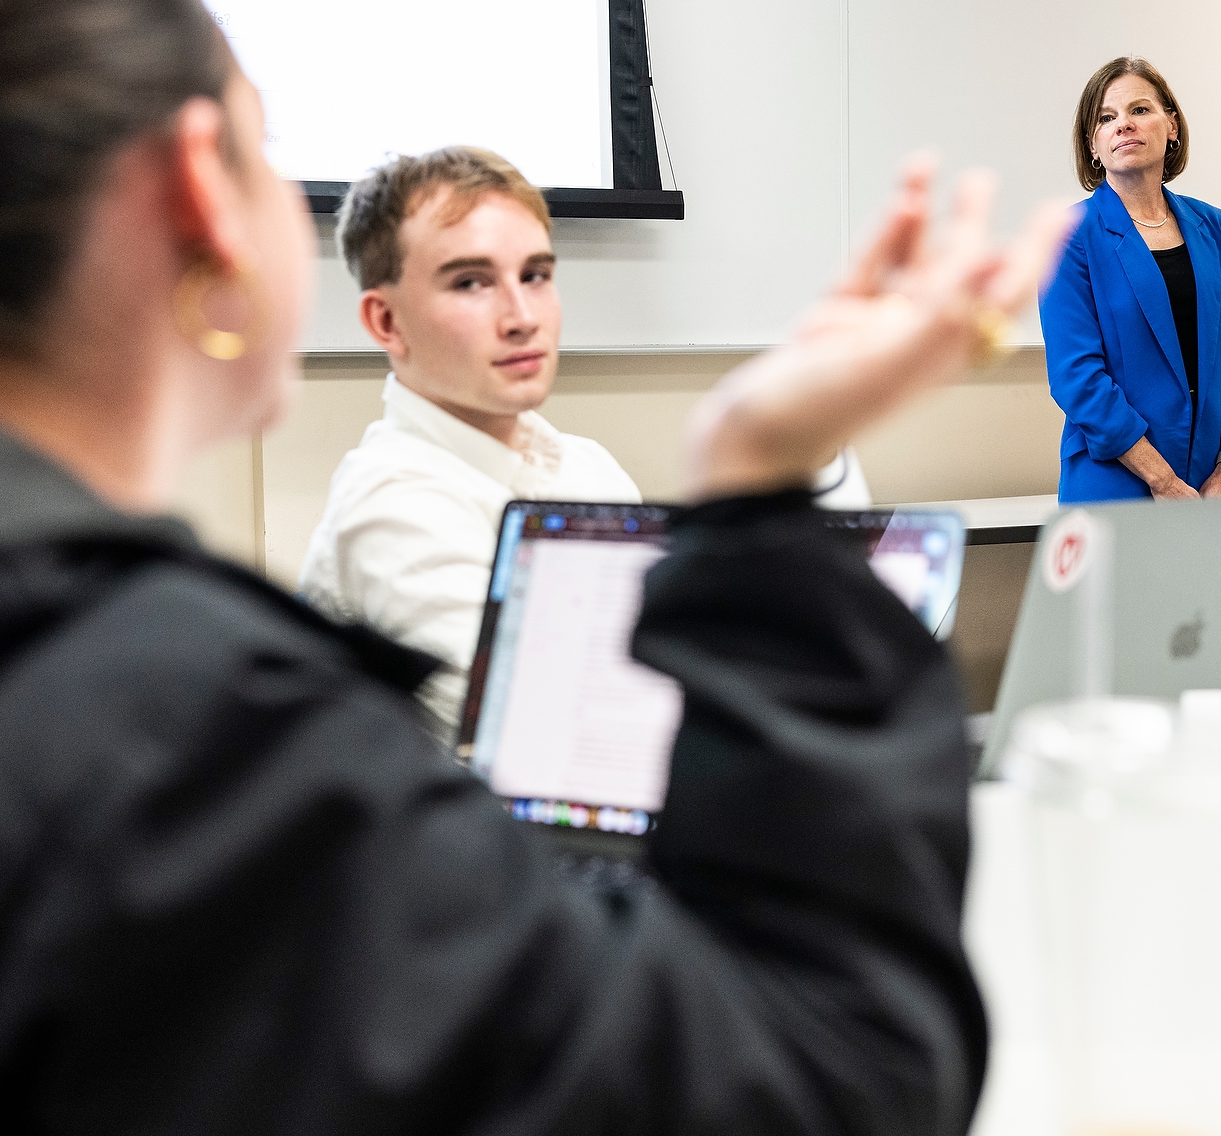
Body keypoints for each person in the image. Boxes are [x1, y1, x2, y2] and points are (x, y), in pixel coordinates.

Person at [0, 0, 1070, 1136]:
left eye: (535, 272)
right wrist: (762, 472)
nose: (518, 312)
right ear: (200, 186)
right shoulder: (176, 741)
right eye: (265, 148)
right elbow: (804, 1108)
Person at [300, 148, 869, 743]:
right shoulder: (392, 506)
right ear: (386, 323)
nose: (522, 316)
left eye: (536, 275)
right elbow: (561, 733)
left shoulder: (585, 467)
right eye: (471, 283)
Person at [1040, 57, 1221, 502]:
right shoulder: (1068, 237)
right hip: (1116, 485)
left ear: (1172, 126)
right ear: (1093, 145)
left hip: (1212, 489)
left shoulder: (1214, 227)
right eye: (1107, 118)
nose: (1124, 125)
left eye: (1140, 110)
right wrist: (1161, 480)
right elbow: (1078, 378)